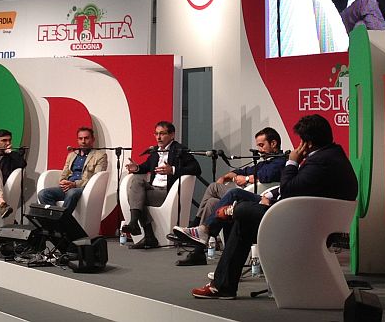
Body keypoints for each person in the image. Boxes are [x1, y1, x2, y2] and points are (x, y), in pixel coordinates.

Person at [191, 114, 358, 299]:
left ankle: (221, 227)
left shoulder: (321, 161)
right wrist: (271, 198)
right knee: (244, 219)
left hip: (306, 226)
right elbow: (299, 189)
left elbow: (289, 189)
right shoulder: (331, 156)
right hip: (307, 218)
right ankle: (222, 285)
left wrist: (292, 161)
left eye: (301, 141)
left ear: (308, 143)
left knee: (243, 210)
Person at [172, 127, 284, 264]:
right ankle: (198, 251)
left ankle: (196, 225)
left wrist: (247, 179)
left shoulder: (281, 161)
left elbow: (267, 175)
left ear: (273, 143)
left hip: (258, 201)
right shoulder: (265, 162)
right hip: (249, 196)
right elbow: (244, 170)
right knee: (212, 202)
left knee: (214, 187)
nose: (259, 150)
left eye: (262, 145)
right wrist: (227, 176)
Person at [122, 121, 202, 249]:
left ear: (172, 135)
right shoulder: (155, 151)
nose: (158, 137)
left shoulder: (179, 150)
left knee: (136, 197)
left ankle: (145, 233)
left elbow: (196, 169)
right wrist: (136, 168)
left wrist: (173, 170)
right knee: (136, 182)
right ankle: (135, 224)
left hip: (167, 191)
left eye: (162, 134)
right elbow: (146, 166)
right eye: (156, 134)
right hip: (153, 188)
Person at [38, 127, 108, 214]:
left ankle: (61, 219)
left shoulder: (100, 156)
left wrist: (75, 184)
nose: (83, 141)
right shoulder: (72, 155)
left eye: (86, 138)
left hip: (84, 188)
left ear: (93, 139)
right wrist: (63, 181)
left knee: (72, 193)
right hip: (68, 186)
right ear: (77, 140)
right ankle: (57, 218)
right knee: (43, 194)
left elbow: (95, 178)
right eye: (80, 138)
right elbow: (64, 172)